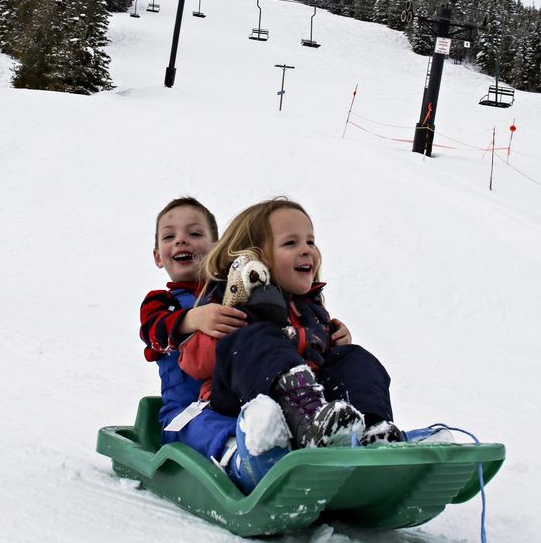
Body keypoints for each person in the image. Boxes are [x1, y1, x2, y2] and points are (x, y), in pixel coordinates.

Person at [182, 197, 405, 486]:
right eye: (290, 243)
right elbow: (193, 363)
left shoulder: (311, 310)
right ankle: (311, 425)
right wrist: (217, 327)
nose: (306, 250)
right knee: (258, 337)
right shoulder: (231, 301)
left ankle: (370, 431)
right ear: (255, 257)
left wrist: (335, 346)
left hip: (316, 410)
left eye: (310, 242)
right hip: (243, 404)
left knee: (354, 357)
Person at [138, 198, 249, 477]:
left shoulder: (234, 297)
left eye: (195, 234)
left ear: (217, 247)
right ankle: (239, 457)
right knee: (201, 427)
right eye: (169, 236)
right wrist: (192, 319)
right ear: (157, 256)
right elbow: (153, 332)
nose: (181, 241)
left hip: (239, 407)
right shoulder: (162, 303)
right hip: (186, 415)